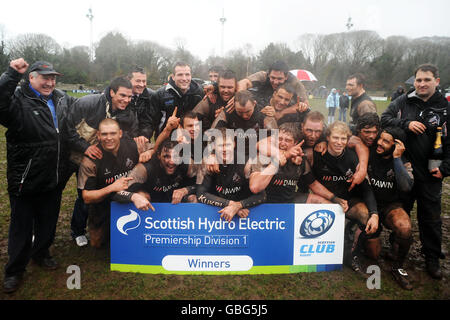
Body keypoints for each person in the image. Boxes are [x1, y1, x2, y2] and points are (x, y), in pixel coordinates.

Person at [0, 58, 77, 293]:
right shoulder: (17, 101)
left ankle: (41, 253)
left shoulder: (61, 99)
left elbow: (73, 126)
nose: (50, 82)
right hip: (26, 177)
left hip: (53, 176)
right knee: (21, 226)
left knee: (48, 221)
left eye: (53, 78)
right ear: (30, 78)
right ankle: (15, 270)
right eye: (45, 77)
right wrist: (11, 74)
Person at [381, 63, 450, 280]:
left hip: (432, 173)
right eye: (418, 80)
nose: (421, 84)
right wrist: (406, 123)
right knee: (402, 210)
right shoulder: (404, 101)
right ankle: (396, 246)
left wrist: (446, 169)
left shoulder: (445, 108)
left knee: (430, 218)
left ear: (436, 82)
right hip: (406, 170)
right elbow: (385, 120)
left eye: (426, 80)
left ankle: (431, 257)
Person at [66, 76, 142, 247]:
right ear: (112, 92)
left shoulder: (128, 113)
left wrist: (138, 142)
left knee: (89, 191)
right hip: (71, 154)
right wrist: (84, 147)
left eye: (129, 97)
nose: (126, 100)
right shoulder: (88, 103)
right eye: (122, 95)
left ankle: (98, 226)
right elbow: (67, 129)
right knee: (79, 195)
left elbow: (130, 134)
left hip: (99, 159)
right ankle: (77, 230)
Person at [310, 121, 380, 275]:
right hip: (325, 199)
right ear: (327, 137)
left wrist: (374, 213)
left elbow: (366, 188)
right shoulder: (317, 153)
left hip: (348, 201)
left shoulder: (353, 158)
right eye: (335, 137)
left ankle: (351, 254)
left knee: (364, 215)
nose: (339, 142)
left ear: (348, 140)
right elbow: (308, 181)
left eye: (343, 139)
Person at [77, 118, 153, 247]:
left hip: (129, 195)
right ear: (98, 135)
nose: (109, 138)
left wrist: (149, 152)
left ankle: (139, 234)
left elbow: (157, 148)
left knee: (144, 197)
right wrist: (111, 188)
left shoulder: (132, 145)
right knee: (97, 243)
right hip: (103, 202)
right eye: (104, 134)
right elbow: (86, 197)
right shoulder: (91, 160)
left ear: (120, 134)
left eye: (113, 133)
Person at [248, 123, 348, 211]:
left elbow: (313, 184)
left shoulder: (300, 159)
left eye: (287, 140)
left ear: (295, 143)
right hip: (264, 204)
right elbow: (255, 187)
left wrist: (334, 198)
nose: (282, 143)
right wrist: (278, 161)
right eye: (279, 139)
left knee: (325, 204)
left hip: (289, 201)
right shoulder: (262, 156)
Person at [367, 126, 414, 289]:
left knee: (405, 227)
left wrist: (396, 159)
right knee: (373, 254)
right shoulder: (370, 151)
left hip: (390, 206)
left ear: (397, 145)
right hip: (368, 204)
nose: (379, 143)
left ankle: (398, 267)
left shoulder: (403, 160)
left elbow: (406, 187)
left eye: (386, 141)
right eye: (380, 138)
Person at [196, 128, 266, 222]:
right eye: (220, 146)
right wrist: (230, 204)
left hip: (246, 214)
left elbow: (262, 196)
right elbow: (201, 194)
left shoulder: (246, 163)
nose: (224, 149)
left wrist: (239, 205)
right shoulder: (209, 163)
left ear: (234, 144)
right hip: (217, 213)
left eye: (228, 145)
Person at [113, 139, 198, 206]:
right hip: (149, 205)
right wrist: (134, 197)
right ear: (158, 155)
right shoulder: (144, 169)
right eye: (166, 156)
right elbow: (117, 193)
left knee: (193, 198)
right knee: (141, 195)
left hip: (175, 203)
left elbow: (203, 186)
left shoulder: (188, 164)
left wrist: (186, 190)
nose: (171, 162)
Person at [147, 61, 204, 138]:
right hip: (167, 141)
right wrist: (145, 136)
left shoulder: (199, 92)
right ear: (173, 77)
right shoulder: (160, 95)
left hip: (192, 140)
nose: (184, 78)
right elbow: (150, 122)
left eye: (187, 74)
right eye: (180, 75)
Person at [237, 60, 309, 109]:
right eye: (273, 78)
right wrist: (238, 97)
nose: (275, 82)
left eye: (279, 79)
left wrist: (281, 114)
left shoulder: (294, 82)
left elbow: (305, 104)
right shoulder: (263, 75)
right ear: (269, 74)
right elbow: (243, 82)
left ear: (286, 77)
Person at [127, 66, 155, 140]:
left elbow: (148, 121)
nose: (142, 85)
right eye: (138, 81)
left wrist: (144, 136)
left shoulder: (151, 96)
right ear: (128, 80)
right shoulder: (120, 97)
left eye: (144, 81)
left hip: (142, 140)